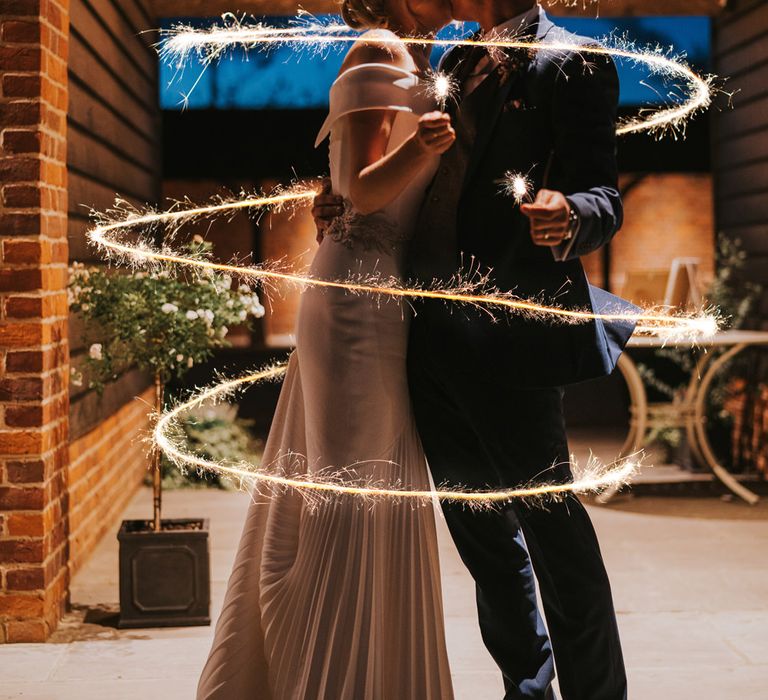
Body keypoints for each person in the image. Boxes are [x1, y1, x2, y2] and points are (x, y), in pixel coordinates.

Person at [313, 1, 635, 698]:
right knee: (484, 541)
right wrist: (336, 193)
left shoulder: (571, 62)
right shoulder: (455, 61)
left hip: (510, 345)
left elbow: (603, 192)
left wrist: (571, 215)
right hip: (426, 340)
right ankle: (526, 688)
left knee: (556, 539)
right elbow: (402, 167)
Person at [196, 1, 459, 698]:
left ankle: (374, 675)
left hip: (385, 297)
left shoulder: (426, 63)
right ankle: (327, 677)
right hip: (355, 304)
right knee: (350, 491)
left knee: (375, 488)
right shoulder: (378, 47)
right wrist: (424, 147)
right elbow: (356, 189)